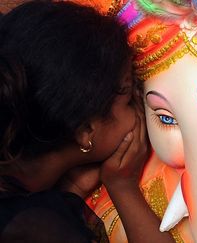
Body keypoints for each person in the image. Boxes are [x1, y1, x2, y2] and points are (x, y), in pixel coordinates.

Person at [0, 1, 174, 242]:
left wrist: (72, 191)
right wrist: (124, 189)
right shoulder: (36, 227)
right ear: (86, 131)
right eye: (128, 98)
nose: (139, 105)